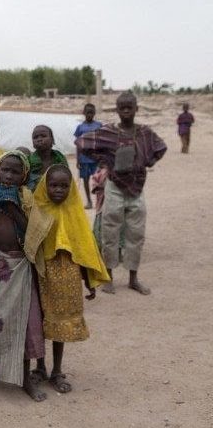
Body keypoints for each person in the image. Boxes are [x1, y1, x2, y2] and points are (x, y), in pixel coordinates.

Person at [24, 165, 110, 394]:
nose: (59, 190)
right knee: (39, 320)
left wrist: (89, 280)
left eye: (64, 186)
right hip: (42, 273)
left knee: (59, 324)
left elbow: (84, 248)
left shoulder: (75, 211)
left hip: (68, 276)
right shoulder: (38, 208)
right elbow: (31, 245)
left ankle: (57, 370)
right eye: (54, 185)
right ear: (45, 185)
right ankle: (40, 367)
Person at [0, 151, 47, 402]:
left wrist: (13, 209)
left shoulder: (26, 200)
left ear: (23, 176)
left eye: (15, 172)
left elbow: (33, 233)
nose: (9, 176)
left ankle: (25, 378)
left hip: (21, 266)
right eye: (5, 170)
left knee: (24, 325)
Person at [76, 92, 166, 295]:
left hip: (137, 189)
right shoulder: (108, 132)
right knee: (110, 232)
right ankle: (108, 277)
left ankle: (133, 278)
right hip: (115, 188)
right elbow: (82, 143)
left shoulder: (144, 133)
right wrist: (106, 160)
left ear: (136, 109)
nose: (126, 111)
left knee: (136, 233)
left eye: (130, 107)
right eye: (122, 107)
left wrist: (146, 161)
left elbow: (160, 148)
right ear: (116, 110)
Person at [74, 104, 102, 209]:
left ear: (94, 113)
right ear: (84, 113)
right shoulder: (80, 128)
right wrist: (77, 160)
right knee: (85, 180)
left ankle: (99, 200)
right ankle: (89, 201)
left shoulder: (99, 125)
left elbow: (103, 142)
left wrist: (103, 156)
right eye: (87, 112)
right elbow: (77, 144)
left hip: (96, 158)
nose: (89, 114)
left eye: (91, 112)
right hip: (84, 159)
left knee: (98, 180)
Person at [27, 125, 67, 191]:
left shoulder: (60, 159)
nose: (39, 139)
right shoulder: (29, 161)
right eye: (35, 137)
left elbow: (67, 180)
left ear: (52, 140)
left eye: (43, 136)